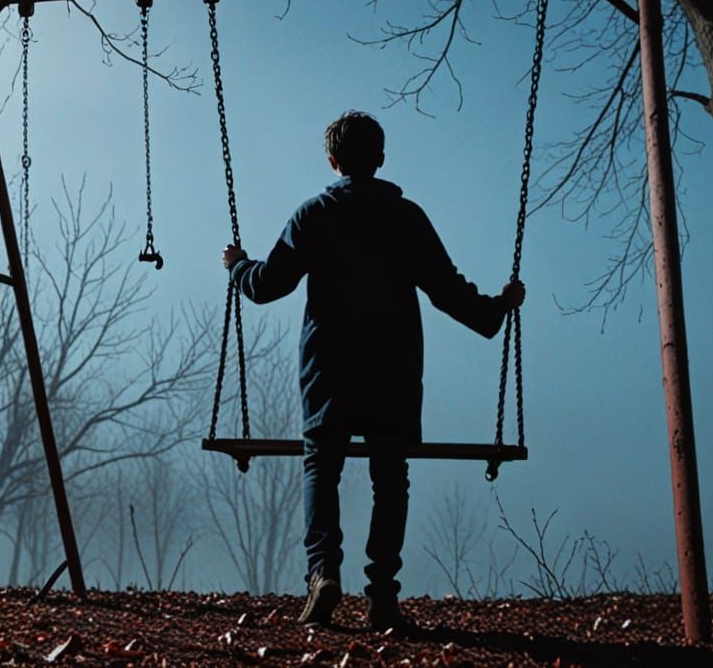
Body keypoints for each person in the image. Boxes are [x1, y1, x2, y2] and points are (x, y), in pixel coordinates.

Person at [220, 111, 525, 631]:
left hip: (329, 367)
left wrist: (238, 269)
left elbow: (270, 284)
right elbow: (448, 291)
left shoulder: (314, 215)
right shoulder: (407, 218)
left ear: (333, 161)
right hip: (393, 366)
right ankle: (382, 593)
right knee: (391, 478)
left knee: (322, 467)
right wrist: (496, 309)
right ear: (380, 159)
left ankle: (323, 574)